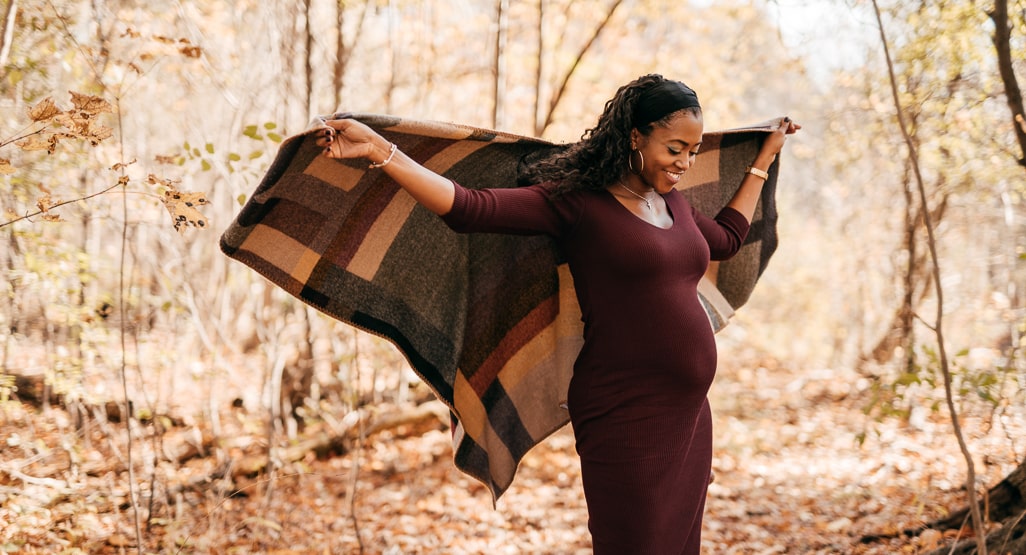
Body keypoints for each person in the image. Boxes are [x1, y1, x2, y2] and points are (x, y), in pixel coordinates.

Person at [317, 74, 800, 555]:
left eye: (692, 152)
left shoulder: (672, 201)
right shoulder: (576, 202)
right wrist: (381, 151)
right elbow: (468, 207)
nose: (684, 163)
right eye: (674, 148)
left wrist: (763, 159)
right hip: (623, 413)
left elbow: (729, 240)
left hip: (689, 416)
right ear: (635, 136)